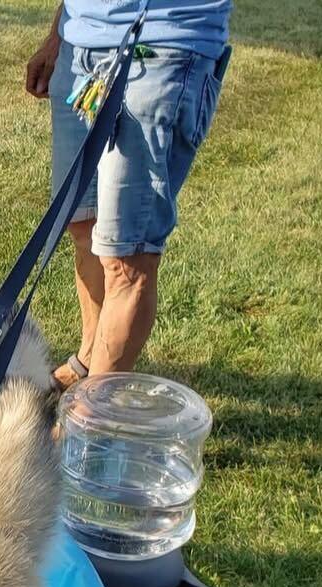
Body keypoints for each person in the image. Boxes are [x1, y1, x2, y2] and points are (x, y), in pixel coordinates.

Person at [25, 1, 231, 388]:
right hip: (81, 46)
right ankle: (90, 358)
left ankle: (92, 421)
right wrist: (59, 34)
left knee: (127, 258)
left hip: (161, 50)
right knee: (83, 221)